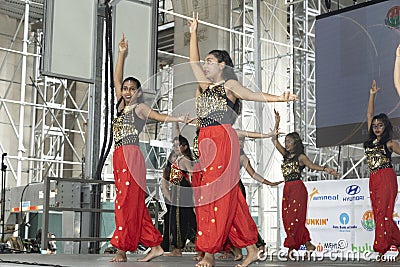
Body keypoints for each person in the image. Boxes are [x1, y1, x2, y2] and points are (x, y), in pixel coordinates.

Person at [188, 13, 297, 267]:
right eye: (206, 62)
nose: (205, 65)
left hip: (221, 138)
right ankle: (251, 247)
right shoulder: (205, 86)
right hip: (205, 140)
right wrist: (193, 32)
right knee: (228, 197)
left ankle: (210, 253)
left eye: (210, 61)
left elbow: (254, 95)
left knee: (214, 195)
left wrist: (280, 98)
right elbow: (192, 61)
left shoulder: (230, 85)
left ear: (222, 65)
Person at [110, 33, 189, 262]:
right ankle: (154, 244)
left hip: (131, 155)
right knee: (131, 203)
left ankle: (121, 249)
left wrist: (177, 120)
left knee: (125, 202)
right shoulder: (121, 105)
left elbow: (158, 116)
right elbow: (116, 79)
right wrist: (122, 54)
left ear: (138, 92)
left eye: (132, 88)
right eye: (125, 88)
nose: (126, 91)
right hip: (119, 155)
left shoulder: (139, 108)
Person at [271, 109, 338, 260]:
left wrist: (327, 169)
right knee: (287, 219)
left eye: (288, 141)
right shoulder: (286, 155)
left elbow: (313, 166)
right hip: (287, 188)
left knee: (296, 219)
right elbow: (274, 141)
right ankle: (308, 245)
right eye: (286, 141)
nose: (286, 144)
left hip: (297, 189)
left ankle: (291, 249)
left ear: (295, 143)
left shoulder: (301, 157)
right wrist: (277, 122)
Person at [364, 80, 400, 261]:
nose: (377, 128)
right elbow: (369, 115)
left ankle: (381, 249)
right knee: (379, 214)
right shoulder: (371, 142)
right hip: (373, 178)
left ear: (386, 127)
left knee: (384, 213)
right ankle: (397, 244)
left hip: (386, 177)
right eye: (375, 125)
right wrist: (372, 95)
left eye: (380, 125)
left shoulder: (390, 143)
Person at [163, 135, 197, 257]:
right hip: (176, 190)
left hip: (182, 191)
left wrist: (194, 194)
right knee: (178, 219)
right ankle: (179, 246)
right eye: (174, 145)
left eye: (178, 145)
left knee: (180, 219)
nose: (175, 147)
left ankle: (178, 248)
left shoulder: (185, 159)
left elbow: (192, 175)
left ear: (185, 147)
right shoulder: (177, 159)